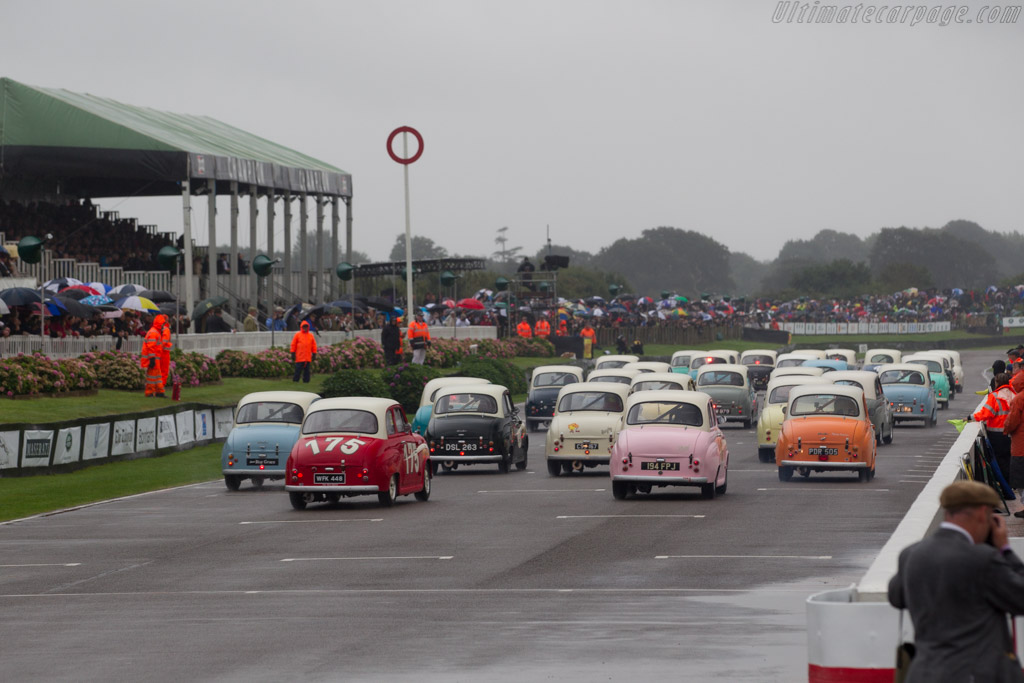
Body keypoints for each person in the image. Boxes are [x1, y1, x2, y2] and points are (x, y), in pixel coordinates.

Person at [887, 480, 1024, 682]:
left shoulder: (911, 554)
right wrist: (1005, 550)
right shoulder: (983, 559)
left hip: (924, 673)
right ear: (982, 512)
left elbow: (896, 597)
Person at [974, 371, 1015, 496]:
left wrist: (970, 417)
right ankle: (1012, 485)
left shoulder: (995, 396)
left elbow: (985, 413)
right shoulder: (1014, 394)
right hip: (1012, 434)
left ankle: (1005, 487)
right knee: (1009, 460)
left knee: (999, 462)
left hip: (997, 435)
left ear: (997, 383)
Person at [999, 371, 1024, 517]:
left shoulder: (1019, 399)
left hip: (1020, 446)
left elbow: (1012, 421)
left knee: (1020, 479)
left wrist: (1005, 429)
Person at [141, 317, 165, 398]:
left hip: (155, 358)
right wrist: (152, 359)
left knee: (157, 377)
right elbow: (151, 347)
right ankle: (150, 392)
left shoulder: (155, 332)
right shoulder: (154, 333)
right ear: (159, 324)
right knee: (152, 377)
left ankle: (159, 392)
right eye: (162, 324)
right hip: (153, 358)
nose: (163, 326)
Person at [158, 314, 172, 387]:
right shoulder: (166, 329)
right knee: (164, 371)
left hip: (158, 352)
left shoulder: (158, 328)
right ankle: (161, 388)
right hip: (164, 353)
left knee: (158, 371)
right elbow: (165, 341)